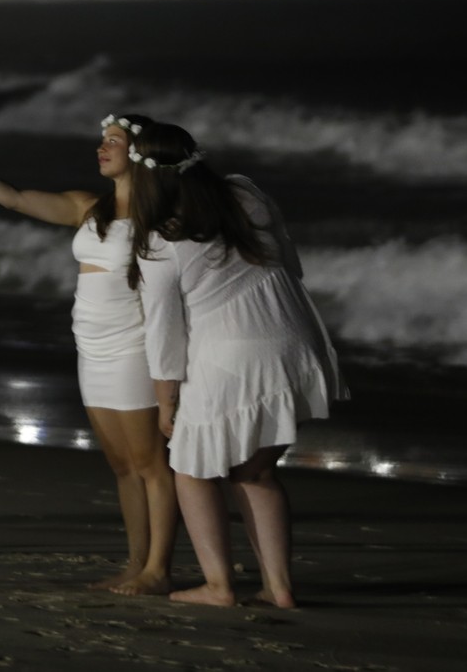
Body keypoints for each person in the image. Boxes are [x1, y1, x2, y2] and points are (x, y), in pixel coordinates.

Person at [0, 112, 176, 595]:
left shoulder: (162, 224)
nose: (101, 148)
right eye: (101, 141)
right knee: (121, 465)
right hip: (90, 350)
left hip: (135, 350)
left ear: (139, 155)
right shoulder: (89, 208)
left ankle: (159, 569)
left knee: (151, 463)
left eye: (112, 141)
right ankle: (135, 564)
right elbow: (16, 198)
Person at [127, 122, 346, 609]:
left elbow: (165, 333)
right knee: (256, 472)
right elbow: (290, 261)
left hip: (234, 353)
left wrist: (167, 403)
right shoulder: (245, 193)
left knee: (190, 467)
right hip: (295, 337)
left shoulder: (162, 241)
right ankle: (279, 586)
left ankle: (220, 585)